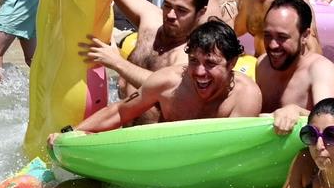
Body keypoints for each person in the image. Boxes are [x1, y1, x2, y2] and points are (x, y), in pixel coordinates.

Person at [74, 20, 261, 130]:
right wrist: (72, 134)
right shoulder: (169, 82)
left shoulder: (245, 97)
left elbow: (232, 155)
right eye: (194, 61)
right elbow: (120, 110)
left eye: (210, 63)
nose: (199, 72)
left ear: (232, 63)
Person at [84, 0, 210, 93]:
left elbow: (166, 86)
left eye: (181, 10)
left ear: (201, 12)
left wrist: (116, 61)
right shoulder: (151, 18)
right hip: (120, 105)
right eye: (167, 5)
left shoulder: (193, 54)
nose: (170, 15)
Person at [252, 0, 334, 132]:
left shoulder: (320, 69)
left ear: (305, 36)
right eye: (268, 35)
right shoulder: (263, 64)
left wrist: (297, 112)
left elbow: (333, 124)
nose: (272, 45)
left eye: (282, 37)